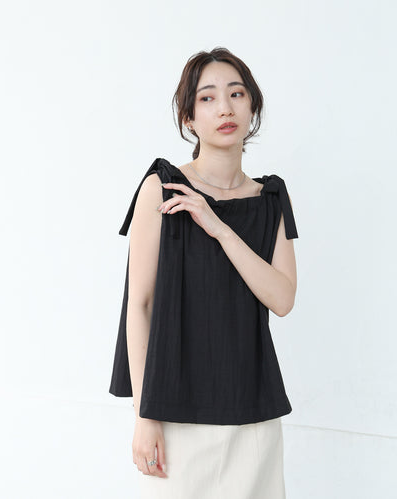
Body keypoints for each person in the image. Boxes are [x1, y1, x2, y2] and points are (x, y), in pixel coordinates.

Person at [109, 46, 299, 499]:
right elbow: (140, 305)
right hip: (175, 414)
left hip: (254, 418)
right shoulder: (161, 188)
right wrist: (144, 415)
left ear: (252, 107)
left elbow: (283, 299)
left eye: (237, 94)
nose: (225, 108)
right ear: (189, 118)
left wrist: (220, 228)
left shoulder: (270, 198)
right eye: (207, 98)